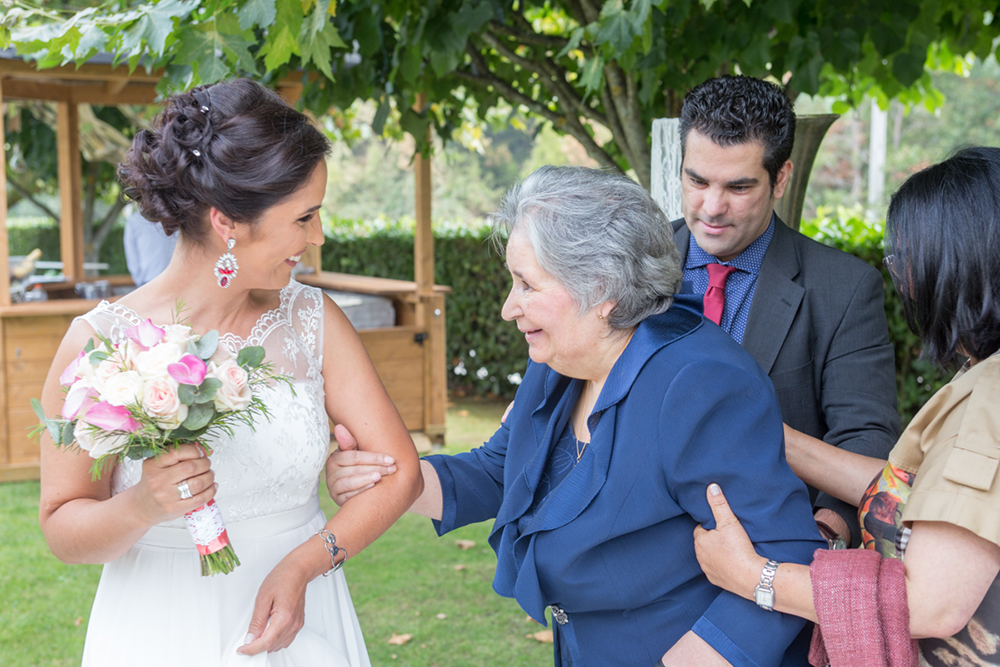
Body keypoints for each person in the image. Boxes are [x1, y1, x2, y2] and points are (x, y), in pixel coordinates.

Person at [330, 165, 825, 666]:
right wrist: (388, 477)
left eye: (527, 285)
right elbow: (501, 471)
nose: (507, 308)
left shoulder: (701, 384)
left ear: (602, 289)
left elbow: (784, 556)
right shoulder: (562, 360)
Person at [37, 79, 422, 666]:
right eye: (304, 217)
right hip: (160, 626)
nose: (317, 236)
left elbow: (402, 474)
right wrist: (142, 505)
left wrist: (306, 563)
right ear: (228, 222)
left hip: (303, 614)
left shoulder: (312, 320)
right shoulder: (98, 343)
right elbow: (63, 528)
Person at [693, 146, 1000, 667]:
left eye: (906, 258)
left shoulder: (990, 399)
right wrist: (763, 432)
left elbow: (932, 603)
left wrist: (753, 575)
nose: (904, 278)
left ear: (955, 266)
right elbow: (908, 491)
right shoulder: (983, 373)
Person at [673, 75, 899, 551]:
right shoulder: (628, 264)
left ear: (780, 178)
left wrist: (822, 536)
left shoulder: (844, 287)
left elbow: (864, 436)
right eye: (697, 181)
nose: (711, 207)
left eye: (738, 186)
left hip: (773, 555)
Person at [123, 209, 177, 286]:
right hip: (147, 281)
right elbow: (131, 256)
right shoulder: (134, 221)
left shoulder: (176, 216)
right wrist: (140, 282)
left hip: (176, 280)